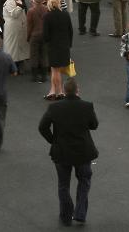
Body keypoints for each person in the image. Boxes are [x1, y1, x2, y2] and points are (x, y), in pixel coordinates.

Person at [38, 77, 99, 227]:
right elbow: (94, 125)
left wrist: (53, 140)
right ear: (78, 90)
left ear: (64, 91)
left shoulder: (54, 108)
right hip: (83, 152)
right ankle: (80, 213)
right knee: (84, 181)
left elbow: (42, 127)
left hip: (61, 152)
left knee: (63, 185)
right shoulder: (87, 106)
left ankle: (66, 216)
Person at [43, 0, 73, 100]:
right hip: (64, 46)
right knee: (58, 70)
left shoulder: (47, 16)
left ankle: (58, 92)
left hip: (53, 47)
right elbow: (70, 31)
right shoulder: (65, 15)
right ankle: (55, 91)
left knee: (54, 70)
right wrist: (69, 44)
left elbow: (45, 35)